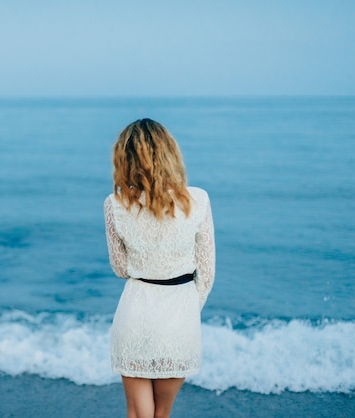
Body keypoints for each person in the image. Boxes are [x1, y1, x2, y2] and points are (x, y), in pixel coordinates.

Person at [104, 118, 215, 418]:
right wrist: (187, 307)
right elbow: (206, 273)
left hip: (136, 312)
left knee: (139, 413)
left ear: (124, 160)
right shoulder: (199, 200)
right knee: (161, 413)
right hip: (179, 316)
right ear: (170, 152)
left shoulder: (115, 205)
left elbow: (119, 267)